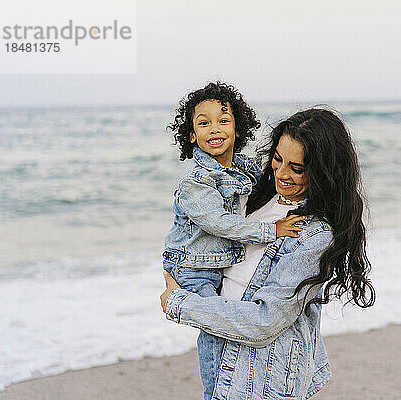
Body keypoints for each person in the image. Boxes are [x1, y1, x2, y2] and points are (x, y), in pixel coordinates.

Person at [160, 107, 376, 400]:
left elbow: (264, 319)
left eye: (297, 168)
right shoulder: (258, 195)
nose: (282, 174)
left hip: (263, 377)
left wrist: (181, 304)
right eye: (277, 159)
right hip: (227, 358)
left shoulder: (315, 235)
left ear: (324, 171)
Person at [163, 81, 304, 297]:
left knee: (222, 319)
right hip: (194, 268)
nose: (214, 129)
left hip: (220, 264)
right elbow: (220, 223)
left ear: (237, 129)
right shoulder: (196, 181)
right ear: (192, 135)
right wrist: (272, 230)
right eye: (204, 124)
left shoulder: (243, 168)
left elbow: (274, 184)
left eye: (223, 121)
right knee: (214, 322)